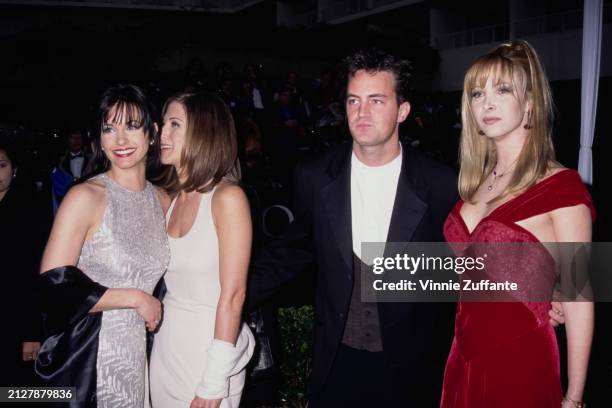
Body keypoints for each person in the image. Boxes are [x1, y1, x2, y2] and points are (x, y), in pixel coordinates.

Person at [246, 47, 458, 407]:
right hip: (337, 361)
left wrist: (551, 290)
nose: (362, 112)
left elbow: (466, 266)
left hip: (410, 369)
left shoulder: (441, 185)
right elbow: (290, 253)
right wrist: (222, 299)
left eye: (377, 101)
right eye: (353, 101)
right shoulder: (314, 176)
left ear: (402, 110)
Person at [440, 40, 595, 408]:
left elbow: (579, 299)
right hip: (461, 359)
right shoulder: (474, 186)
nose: (486, 102)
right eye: (477, 93)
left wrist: (573, 398)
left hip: (519, 363)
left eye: (502, 89)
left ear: (529, 104)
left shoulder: (560, 187)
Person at [36, 84, 170, 407]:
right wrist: (136, 299)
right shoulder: (85, 197)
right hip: (89, 358)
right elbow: (53, 284)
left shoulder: (163, 200)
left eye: (132, 126)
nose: (120, 140)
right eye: (109, 128)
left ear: (152, 133)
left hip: (143, 355)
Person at [150, 92, 254, 408]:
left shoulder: (227, 198)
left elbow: (234, 295)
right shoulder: (169, 199)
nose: (161, 133)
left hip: (211, 351)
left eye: (175, 124)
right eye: (163, 123)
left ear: (203, 132)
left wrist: (213, 380)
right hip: (167, 347)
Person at [0, 141, 45, 386]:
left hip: (16, 317)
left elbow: (35, 274)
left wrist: (32, 333)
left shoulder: (29, 210)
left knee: (15, 389)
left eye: (1, 166)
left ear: (14, 169)